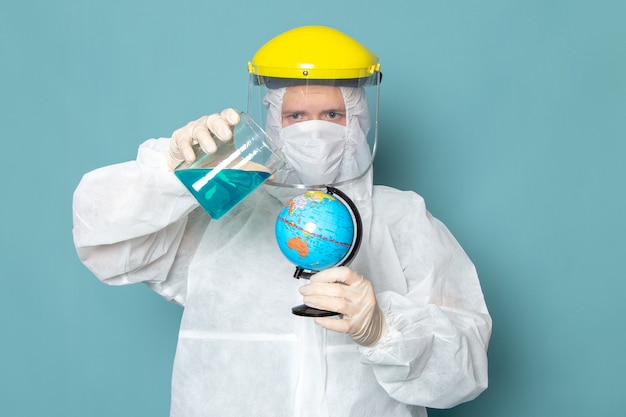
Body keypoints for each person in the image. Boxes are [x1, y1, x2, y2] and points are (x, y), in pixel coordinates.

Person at [72, 26, 491, 417]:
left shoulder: (402, 219)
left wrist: (384, 331)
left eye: (331, 115)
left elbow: (464, 368)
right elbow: (106, 245)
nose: (313, 130)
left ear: (359, 118)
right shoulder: (227, 211)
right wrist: (175, 174)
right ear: (273, 120)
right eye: (295, 117)